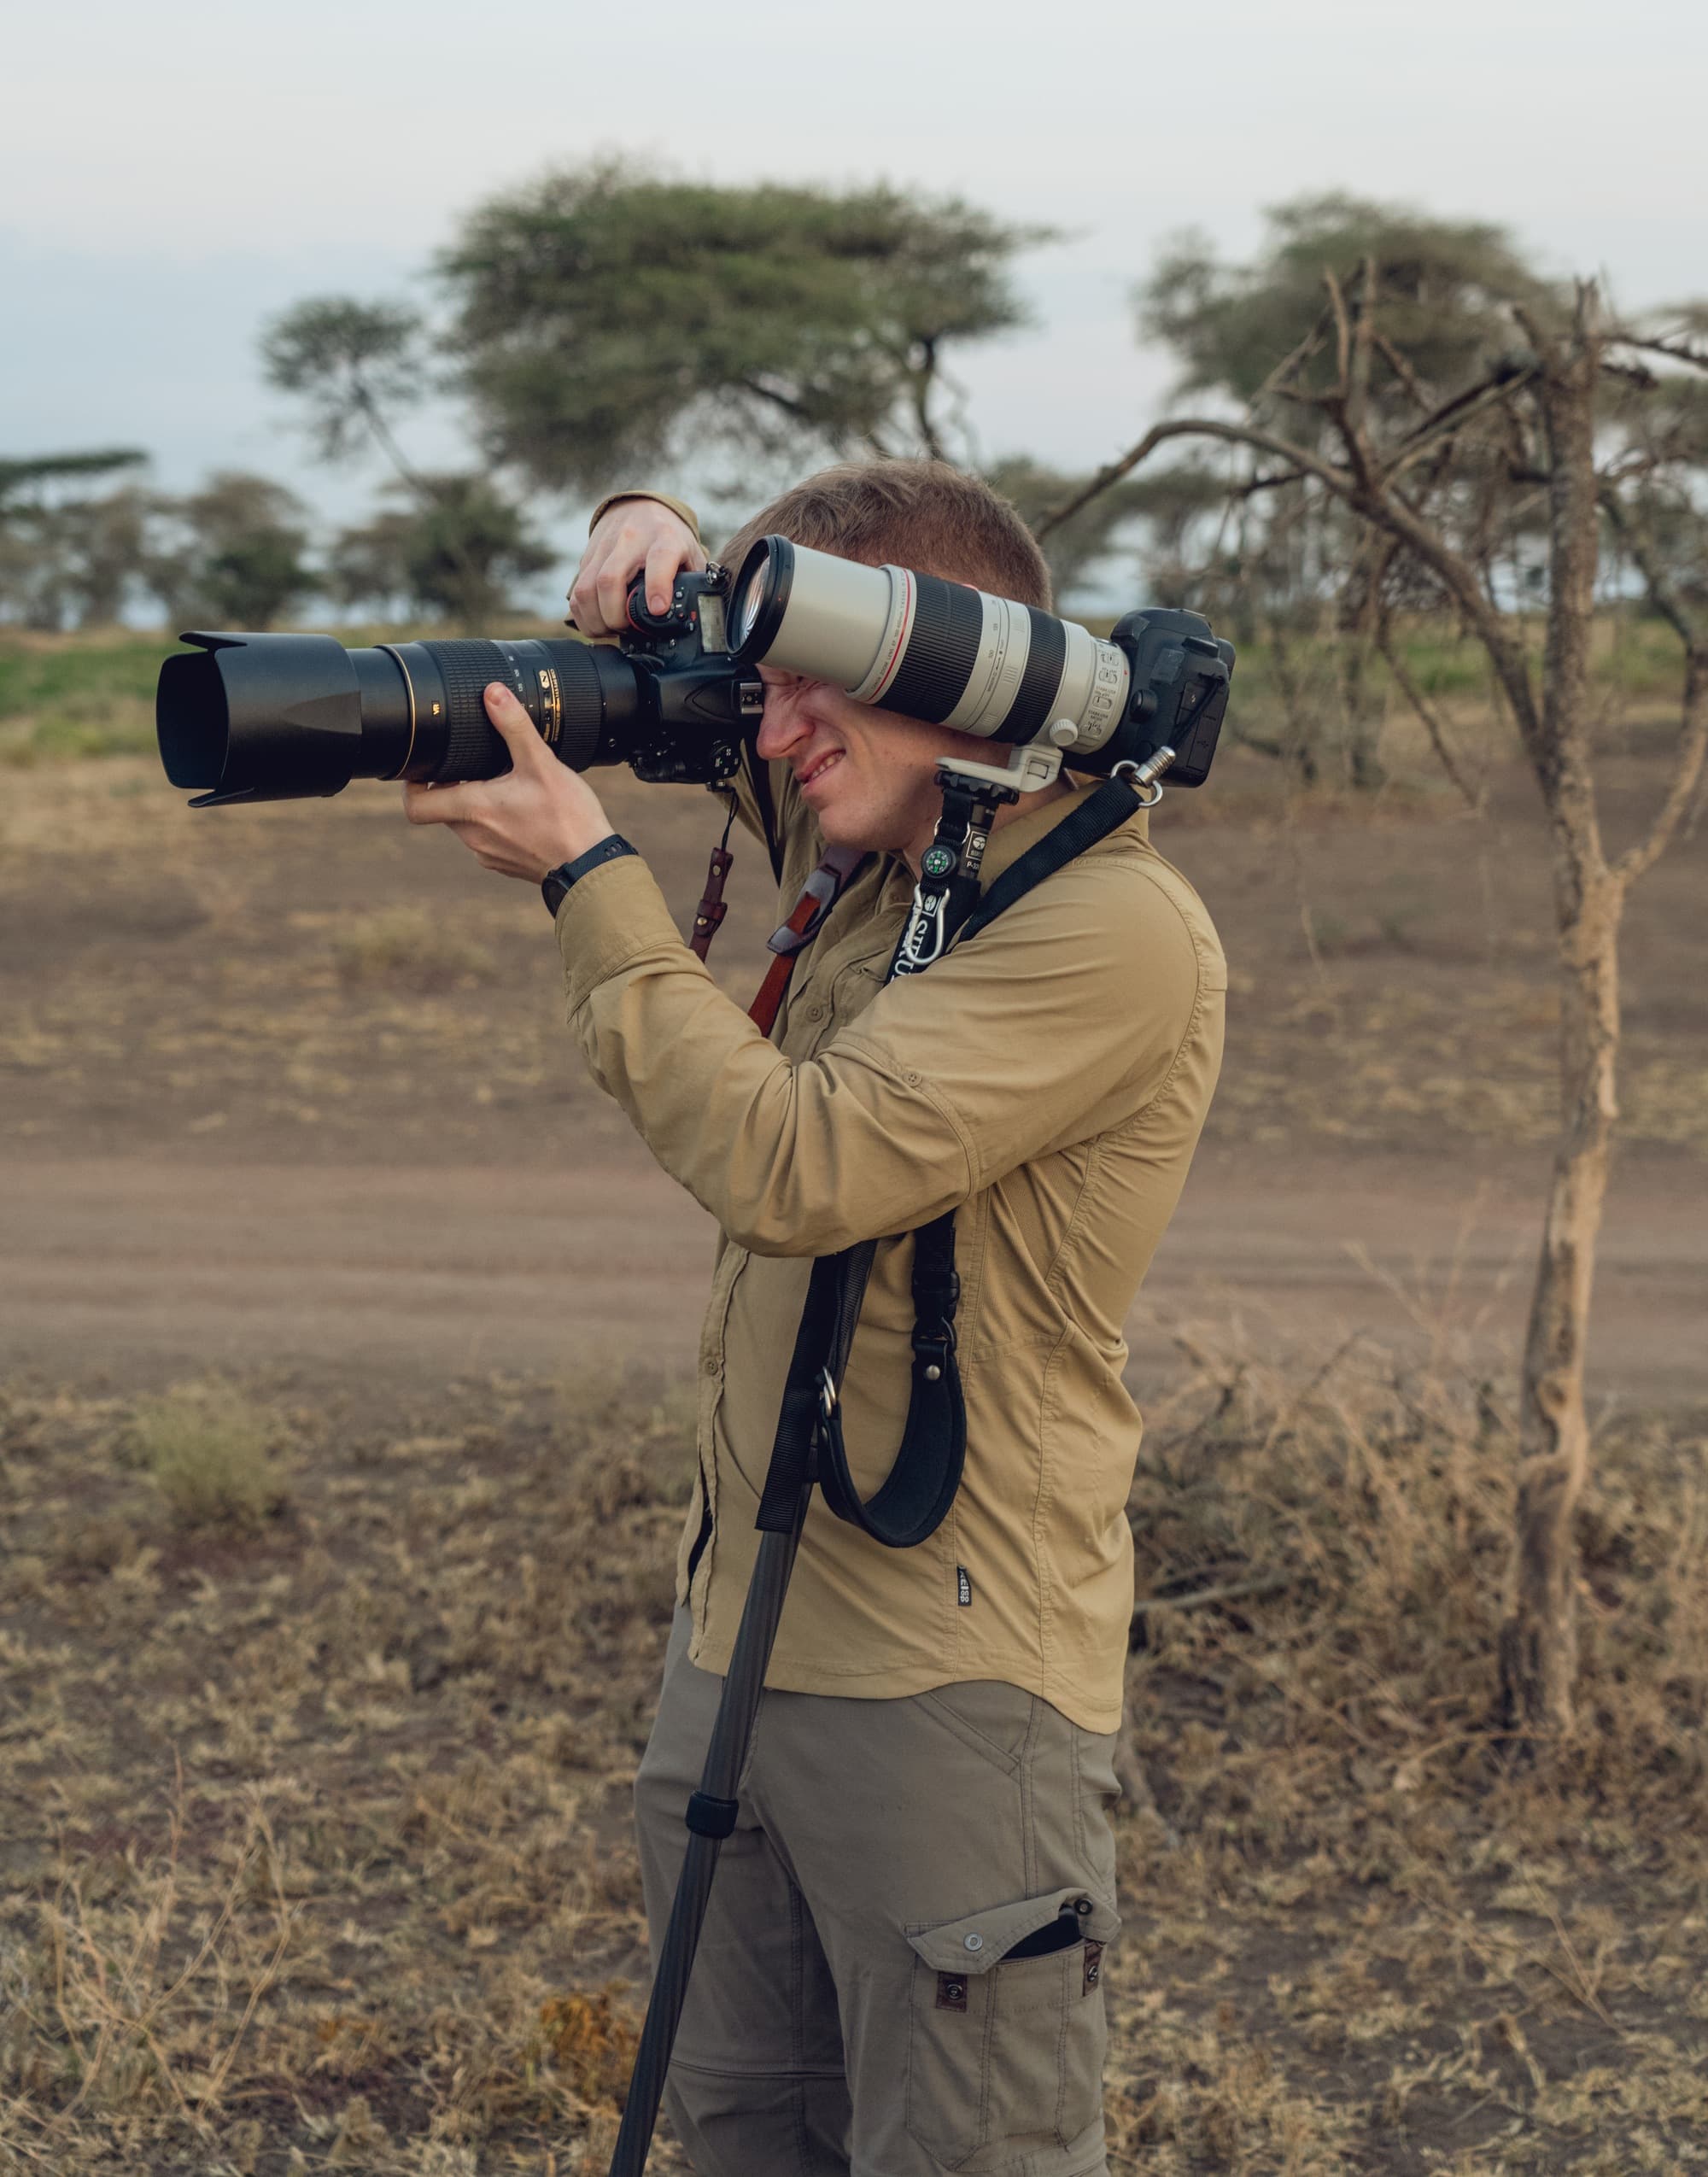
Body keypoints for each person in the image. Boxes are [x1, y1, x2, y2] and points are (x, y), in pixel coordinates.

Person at [404, 460, 1225, 2177]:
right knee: (743, 2136)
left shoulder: (1112, 927)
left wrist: (587, 883)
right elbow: (726, 717)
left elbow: (800, 1159)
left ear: (949, 674)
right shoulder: (889, 848)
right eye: (760, 691)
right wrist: (646, 519)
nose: (770, 742)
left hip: (950, 1683)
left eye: (807, 691)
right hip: (744, 1642)